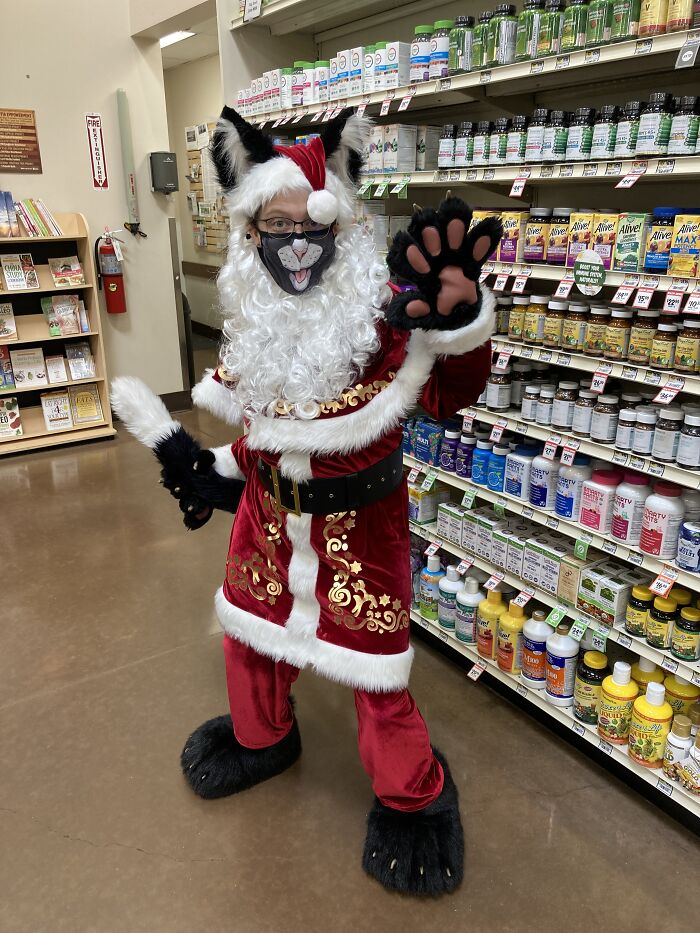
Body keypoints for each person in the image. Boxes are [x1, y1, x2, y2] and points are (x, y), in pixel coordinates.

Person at [112, 106, 500, 897]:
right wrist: (197, 464)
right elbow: (258, 436)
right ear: (251, 229)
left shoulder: (387, 315)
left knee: (374, 679)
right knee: (248, 645)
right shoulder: (252, 323)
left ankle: (412, 795)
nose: (294, 241)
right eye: (274, 223)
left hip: (364, 532)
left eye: (312, 223)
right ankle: (263, 738)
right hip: (264, 523)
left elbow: (451, 389)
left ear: (342, 225)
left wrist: (461, 321)